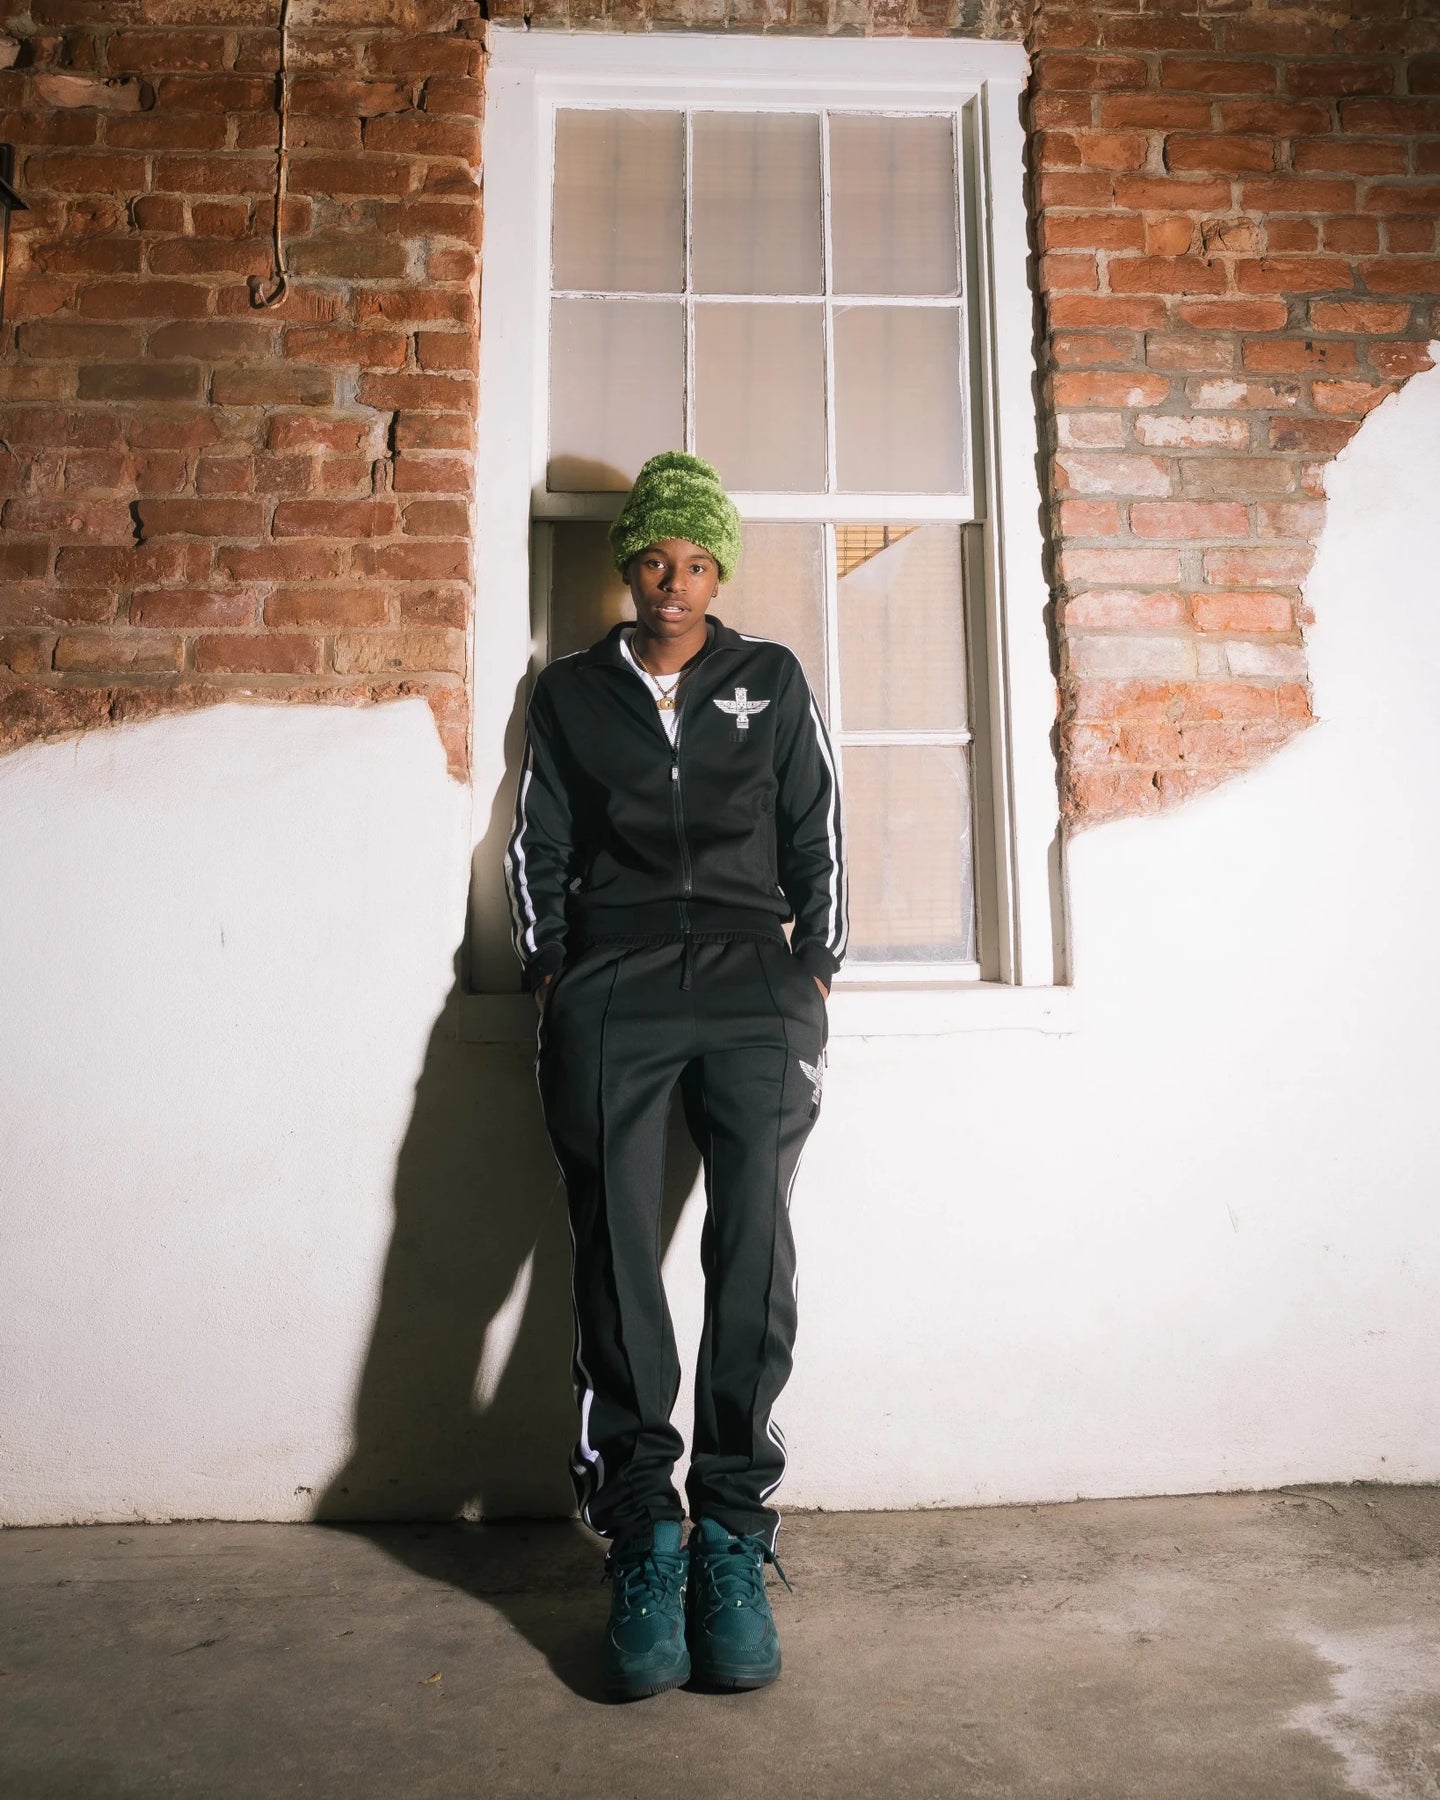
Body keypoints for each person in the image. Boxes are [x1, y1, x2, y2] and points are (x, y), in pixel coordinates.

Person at [504, 450, 847, 1702]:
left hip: (757, 979)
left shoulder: (771, 679)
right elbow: (538, 838)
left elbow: (816, 826)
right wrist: (553, 972)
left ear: (720, 573)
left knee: (751, 1245)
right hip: (614, 979)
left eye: (698, 562)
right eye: (655, 558)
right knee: (613, 1245)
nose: (674, 582)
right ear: (628, 565)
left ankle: (734, 1538)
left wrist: (817, 969)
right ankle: (646, 1535)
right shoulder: (570, 693)